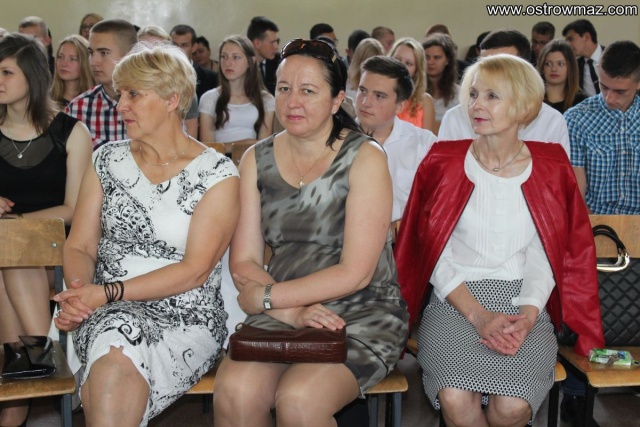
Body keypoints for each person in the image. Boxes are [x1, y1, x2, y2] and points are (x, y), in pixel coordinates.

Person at [395, 54, 604, 427]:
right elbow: (431, 250)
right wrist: (477, 315)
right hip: (454, 302)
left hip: (523, 302)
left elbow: (549, 252)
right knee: (456, 398)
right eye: (474, 94)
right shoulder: (442, 161)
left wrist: (528, 314)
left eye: (492, 96)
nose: (477, 105)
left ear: (522, 105)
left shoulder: (551, 165)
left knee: (512, 407)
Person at [213, 38, 409, 427]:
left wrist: (265, 297)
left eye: (308, 91)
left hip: (359, 310)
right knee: (234, 392)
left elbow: (356, 273)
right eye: (284, 89)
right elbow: (245, 260)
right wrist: (289, 310)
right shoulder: (256, 159)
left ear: (337, 101)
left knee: (299, 401)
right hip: (283, 309)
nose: (292, 102)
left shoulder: (365, 157)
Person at [53, 42, 239, 427]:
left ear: (173, 99)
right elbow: (81, 245)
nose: (121, 105)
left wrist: (104, 293)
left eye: (134, 94)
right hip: (101, 309)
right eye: (120, 94)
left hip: (184, 314)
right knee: (113, 346)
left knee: (112, 366)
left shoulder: (216, 174)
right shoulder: (107, 159)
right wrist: (80, 295)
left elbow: (195, 271)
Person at [0, 33, 92, 427]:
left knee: (14, 251)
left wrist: (16, 226)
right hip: (7, 256)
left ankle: (29, 378)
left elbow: (73, 210)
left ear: (33, 76)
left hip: (57, 254)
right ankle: (43, 364)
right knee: (9, 254)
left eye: (6, 72)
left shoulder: (70, 131)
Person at [439, 29, 570, 158]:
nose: (490, 73)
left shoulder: (551, 121)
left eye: (501, 66)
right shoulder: (455, 118)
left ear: (524, 70)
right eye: (485, 64)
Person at [355, 56, 436, 221]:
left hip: (405, 235)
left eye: (379, 95)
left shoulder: (424, 144)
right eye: (362, 90)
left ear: (400, 106)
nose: (365, 102)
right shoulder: (334, 139)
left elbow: (434, 206)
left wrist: (396, 231)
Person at [66, 19, 138, 149]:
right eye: (91, 53)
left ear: (130, 55)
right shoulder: (78, 109)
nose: (94, 61)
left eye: (103, 53)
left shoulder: (156, 104)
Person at [199, 35, 275, 154]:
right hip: (218, 161)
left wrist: (248, 146)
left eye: (236, 57)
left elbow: (263, 148)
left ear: (251, 61)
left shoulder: (266, 99)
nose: (228, 63)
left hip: (252, 160)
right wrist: (244, 144)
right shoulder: (209, 98)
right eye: (224, 57)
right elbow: (206, 148)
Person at [137, 25, 199, 139]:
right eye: (143, 49)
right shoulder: (124, 89)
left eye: (157, 50)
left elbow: (191, 135)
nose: (150, 56)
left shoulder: (183, 89)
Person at [389, 37, 436, 131]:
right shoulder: (377, 94)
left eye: (408, 63)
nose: (401, 66)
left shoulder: (425, 101)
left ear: (416, 71)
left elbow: (428, 139)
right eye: (397, 59)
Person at [170, 24, 218, 100]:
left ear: (194, 47)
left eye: (184, 45)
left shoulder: (210, 78)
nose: (178, 50)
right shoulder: (160, 74)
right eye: (174, 45)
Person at [537, 40, 586, 113]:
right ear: (542, 67)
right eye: (548, 64)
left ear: (570, 67)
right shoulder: (532, 99)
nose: (554, 69)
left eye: (560, 64)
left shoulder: (581, 102)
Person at [423, 33, 459, 129]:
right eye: (427, 57)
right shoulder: (415, 91)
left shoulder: (458, 94)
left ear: (447, 60)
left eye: (437, 57)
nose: (430, 62)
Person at [562, 19, 604, 96]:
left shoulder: (613, 56)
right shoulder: (575, 66)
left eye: (571, 39)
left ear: (586, 37)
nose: (567, 44)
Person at [51, 35, 95, 108]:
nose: (63, 63)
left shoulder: (97, 100)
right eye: (60, 57)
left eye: (72, 59)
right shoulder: (47, 99)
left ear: (85, 63)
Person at [247, 16, 280, 95]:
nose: (276, 47)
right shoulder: (242, 65)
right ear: (257, 43)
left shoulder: (280, 62)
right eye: (272, 42)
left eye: (277, 41)